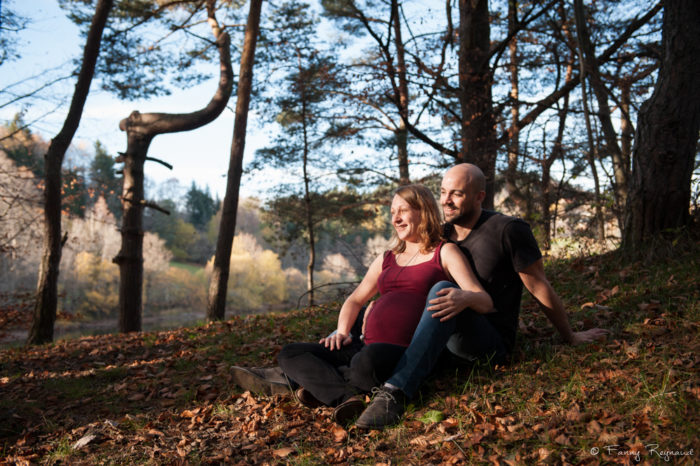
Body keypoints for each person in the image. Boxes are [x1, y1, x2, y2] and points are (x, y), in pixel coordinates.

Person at [352, 164, 609, 429]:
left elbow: (539, 285)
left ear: (479, 196)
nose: (446, 201)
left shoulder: (507, 229)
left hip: (486, 340)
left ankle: (396, 392)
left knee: (444, 290)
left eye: (456, 194)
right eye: (442, 192)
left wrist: (570, 335)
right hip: (439, 339)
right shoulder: (442, 233)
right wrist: (379, 303)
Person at [274, 184, 493, 425]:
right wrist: (343, 332)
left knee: (367, 361)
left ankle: (323, 386)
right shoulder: (386, 258)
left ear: (424, 211)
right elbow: (355, 299)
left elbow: (484, 301)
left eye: (403, 211)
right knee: (291, 353)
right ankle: (344, 397)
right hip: (362, 344)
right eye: (392, 212)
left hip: (402, 352)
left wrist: (464, 297)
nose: (396, 218)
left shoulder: (444, 252)